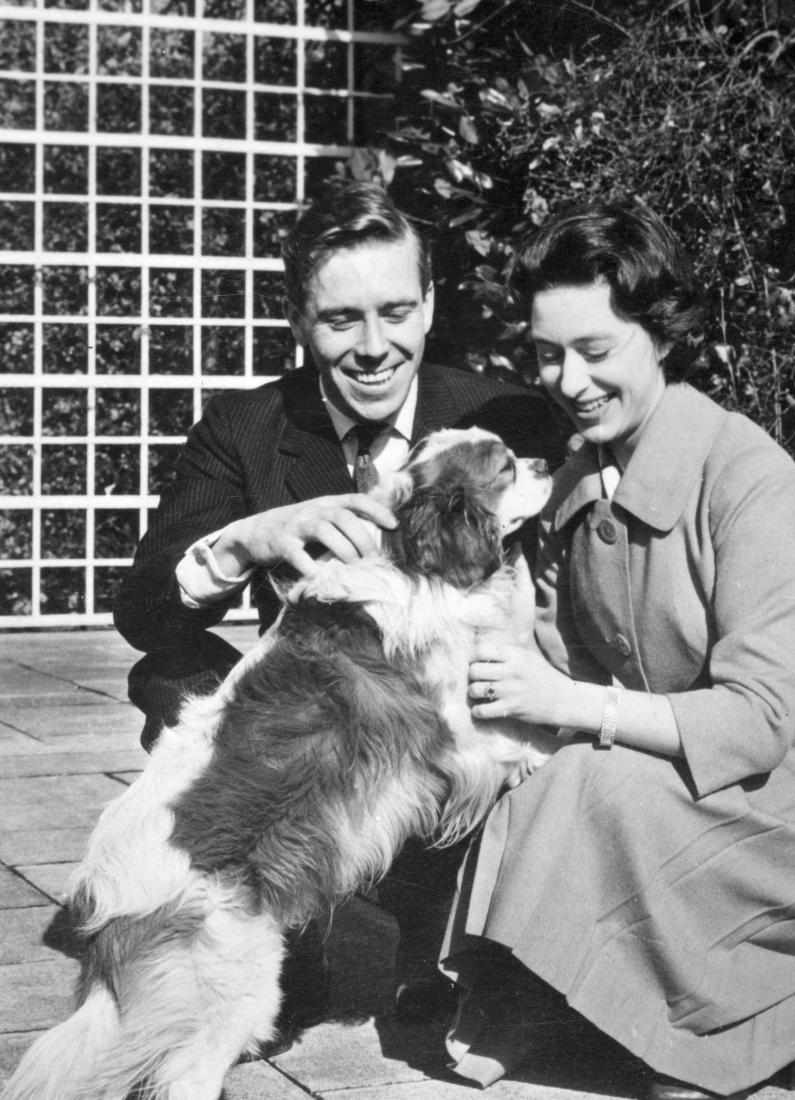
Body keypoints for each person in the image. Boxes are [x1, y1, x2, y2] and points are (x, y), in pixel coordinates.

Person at [441, 202, 795, 1100]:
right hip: (712, 774)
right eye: (549, 354)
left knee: (591, 779)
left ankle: (741, 1026)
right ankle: (579, 992)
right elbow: (561, 658)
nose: (569, 380)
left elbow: (753, 724)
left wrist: (571, 705)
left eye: (597, 349)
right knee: (543, 777)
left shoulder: (749, 478)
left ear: (660, 332)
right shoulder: (573, 482)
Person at [112, 180, 566, 1018]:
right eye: (339, 319)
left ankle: (447, 932)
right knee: (173, 676)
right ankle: (270, 919)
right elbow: (143, 612)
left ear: (430, 305)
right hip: (322, 747)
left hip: (456, 717)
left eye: (396, 311)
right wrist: (250, 535)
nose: (373, 346)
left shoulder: (503, 419)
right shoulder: (245, 427)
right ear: (297, 319)